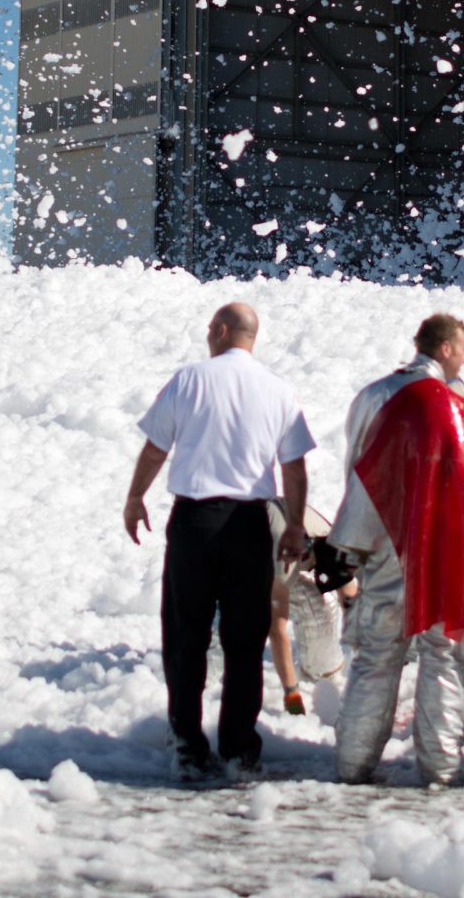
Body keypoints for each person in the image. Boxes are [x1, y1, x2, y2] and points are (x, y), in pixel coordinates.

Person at [328, 312, 464, 786]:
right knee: (442, 655)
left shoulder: (372, 396)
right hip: (440, 549)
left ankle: (352, 765)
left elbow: (360, 470)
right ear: (444, 349)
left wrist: (349, 547)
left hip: (381, 544)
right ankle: (441, 767)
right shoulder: (455, 400)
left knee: (376, 657)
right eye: (462, 349)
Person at [123, 302, 316, 784]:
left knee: (186, 635)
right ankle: (239, 748)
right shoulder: (277, 389)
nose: (207, 334)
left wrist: (135, 496)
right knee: (246, 641)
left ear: (222, 331)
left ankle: (188, 745)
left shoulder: (189, 379)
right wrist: (293, 526)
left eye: (210, 327)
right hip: (251, 525)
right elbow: (293, 466)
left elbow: (156, 447)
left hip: (195, 523)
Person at [269, 503, 352, 715]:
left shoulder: (327, 538)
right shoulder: (282, 557)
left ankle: (324, 678)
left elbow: (350, 597)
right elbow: (277, 630)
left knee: (324, 606)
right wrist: (292, 693)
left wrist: (372, 656)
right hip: (235, 569)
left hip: (280, 543)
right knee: (308, 604)